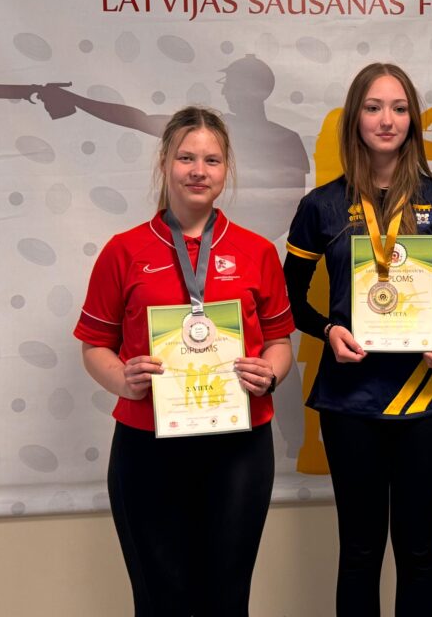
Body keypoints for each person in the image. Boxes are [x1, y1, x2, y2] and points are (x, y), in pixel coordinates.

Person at [73, 106, 295, 617]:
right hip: (148, 445)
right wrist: (121, 379)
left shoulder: (257, 251)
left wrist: (271, 372)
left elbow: (280, 341)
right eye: (186, 158)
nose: (199, 170)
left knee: (226, 600)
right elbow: (94, 345)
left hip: (239, 448)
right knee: (160, 601)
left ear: (226, 169)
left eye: (212, 160)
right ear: (165, 164)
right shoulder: (123, 251)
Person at [283, 63, 432, 616]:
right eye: (373, 107)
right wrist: (328, 329)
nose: (386, 120)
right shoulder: (321, 205)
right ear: (354, 118)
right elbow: (289, 298)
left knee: (418, 552)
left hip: (424, 393)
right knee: (360, 552)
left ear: (412, 119)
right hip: (350, 397)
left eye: (398, 108)